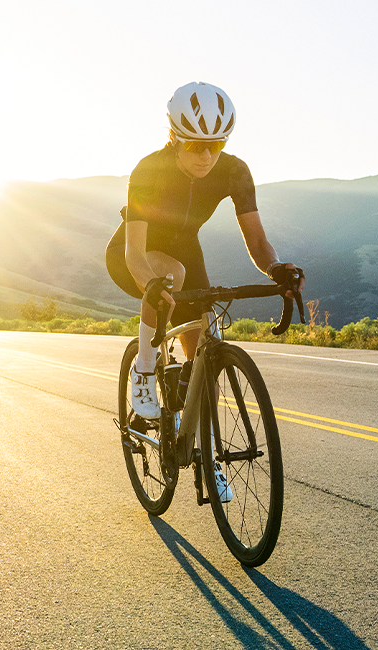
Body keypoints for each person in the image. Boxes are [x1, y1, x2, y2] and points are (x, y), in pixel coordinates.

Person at [106, 81, 303, 420]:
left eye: (217, 144)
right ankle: (145, 368)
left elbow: (257, 242)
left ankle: (208, 455)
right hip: (136, 255)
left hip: (186, 252)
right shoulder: (148, 170)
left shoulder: (234, 172)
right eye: (196, 146)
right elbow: (134, 253)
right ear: (174, 137)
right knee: (173, 274)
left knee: (204, 357)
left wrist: (275, 268)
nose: (207, 156)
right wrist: (152, 283)